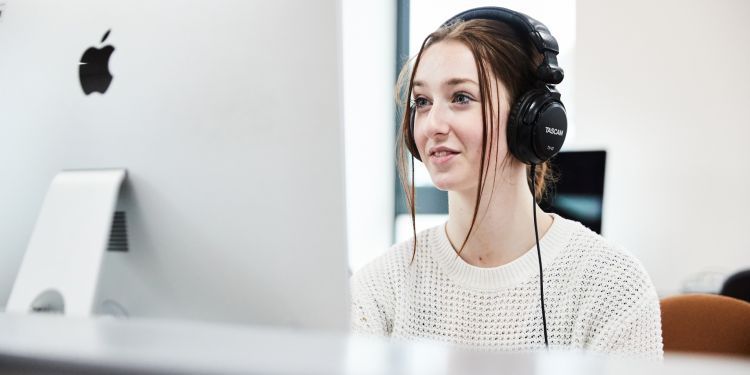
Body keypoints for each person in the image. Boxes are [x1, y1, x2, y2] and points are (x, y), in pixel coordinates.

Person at [350, 7, 663, 359]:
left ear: (529, 120)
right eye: (421, 102)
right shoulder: (379, 287)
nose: (432, 124)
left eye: (461, 98)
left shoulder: (611, 287)